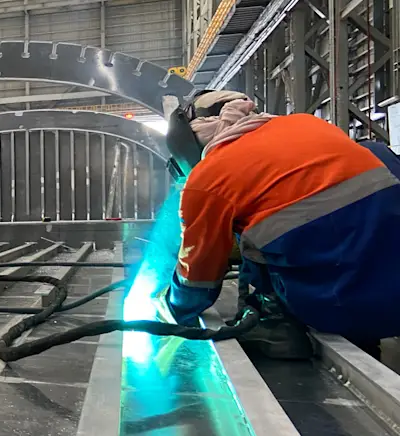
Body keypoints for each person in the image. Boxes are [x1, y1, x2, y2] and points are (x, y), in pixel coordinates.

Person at [157, 89, 400, 359]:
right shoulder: (306, 123)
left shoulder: (207, 176)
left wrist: (171, 306)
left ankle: (276, 324)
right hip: (392, 291)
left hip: (337, 302)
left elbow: (198, 277)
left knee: (253, 237)